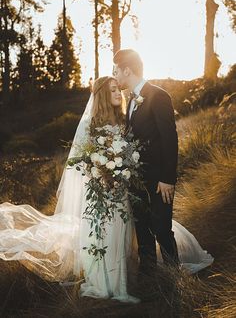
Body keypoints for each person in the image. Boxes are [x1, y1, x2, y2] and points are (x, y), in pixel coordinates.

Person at [0, 75, 213, 303]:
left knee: (124, 237)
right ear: (102, 95)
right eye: (111, 90)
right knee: (106, 237)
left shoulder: (123, 119)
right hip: (104, 191)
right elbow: (86, 160)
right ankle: (111, 288)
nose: (117, 93)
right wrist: (105, 173)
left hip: (124, 190)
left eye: (116, 89)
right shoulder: (93, 123)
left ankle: (136, 281)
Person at [113, 49, 213, 274]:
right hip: (136, 178)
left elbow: (170, 138)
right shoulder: (129, 101)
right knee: (142, 226)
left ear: (127, 70)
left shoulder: (158, 96)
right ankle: (147, 273)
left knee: (161, 227)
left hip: (159, 179)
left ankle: (174, 275)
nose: (115, 76)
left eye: (116, 71)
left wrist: (168, 179)